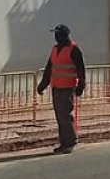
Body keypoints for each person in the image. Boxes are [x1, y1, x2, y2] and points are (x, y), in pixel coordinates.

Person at [36, 24, 86, 154]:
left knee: (65, 116)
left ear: (64, 35)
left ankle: (70, 142)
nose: (56, 37)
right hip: (56, 87)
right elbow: (49, 69)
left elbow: (81, 70)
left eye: (58, 34)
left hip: (68, 87)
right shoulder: (55, 49)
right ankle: (64, 142)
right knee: (60, 116)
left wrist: (81, 86)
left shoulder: (74, 49)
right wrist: (42, 85)